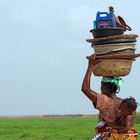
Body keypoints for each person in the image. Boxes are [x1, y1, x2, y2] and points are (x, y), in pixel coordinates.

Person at [81, 55, 138, 139]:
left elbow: (85, 89)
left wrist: (90, 66)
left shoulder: (105, 101)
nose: (100, 88)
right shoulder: (125, 103)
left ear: (107, 87)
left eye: (102, 85)